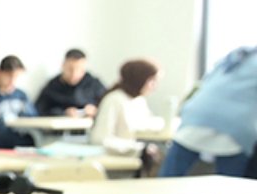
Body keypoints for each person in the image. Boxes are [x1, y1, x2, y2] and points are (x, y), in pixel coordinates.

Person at [159, 46, 257, 178]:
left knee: (169, 177)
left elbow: (206, 82)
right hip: (236, 125)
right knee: (231, 184)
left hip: (196, 115)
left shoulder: (239, 55)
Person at [89, 59, 165, 164]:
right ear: (139, 79)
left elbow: (146, 124)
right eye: (152, 81)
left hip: (132, 155)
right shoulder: (114, 100)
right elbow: (101, 140)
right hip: (116, 160)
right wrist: (138, 148)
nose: (154, 87)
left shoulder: (138, 100)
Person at [34, 49, 107, 118]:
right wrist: (63, 113)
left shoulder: (94, 84)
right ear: (63, 66)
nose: (74, 74)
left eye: (79, 69)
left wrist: (96, 110)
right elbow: (39, 110)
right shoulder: (52, 86)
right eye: (70, 69)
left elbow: (107, 105)